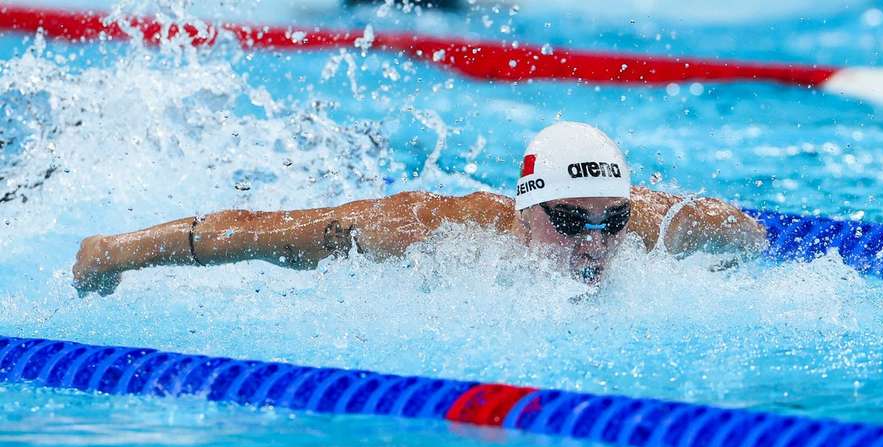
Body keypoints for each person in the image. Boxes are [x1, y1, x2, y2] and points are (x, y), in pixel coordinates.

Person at [72, 121, 767, 296]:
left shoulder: (643, 223)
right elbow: (254, 235)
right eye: (569, 221)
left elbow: (740, 230)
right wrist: (114, 253)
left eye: (608, 221)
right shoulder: (427, 228)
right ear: (526, 214)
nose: (594, 243)